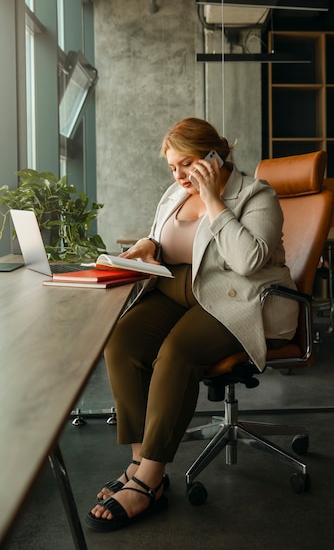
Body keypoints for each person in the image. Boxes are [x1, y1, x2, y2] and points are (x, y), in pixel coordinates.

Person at [86, 117, 299, 532]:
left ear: (214, 156)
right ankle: (138, 462)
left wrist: (213, 197)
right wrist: (148, 245)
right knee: (122, 341)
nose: (179, 175)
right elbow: (162, 240)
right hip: (177, 288)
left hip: (234, 296)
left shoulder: (256, 195)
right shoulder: (174, 194)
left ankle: (150, 480)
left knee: (176, 353)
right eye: (172, 168)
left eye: (187, 164)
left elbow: (248, 261)